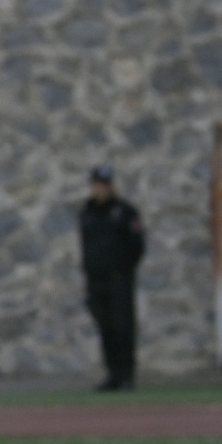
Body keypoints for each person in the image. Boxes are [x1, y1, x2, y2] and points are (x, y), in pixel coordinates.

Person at [78, 165, 145, 391]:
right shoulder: (87, 212)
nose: (101, 190)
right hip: (96, 280)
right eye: (97, 185)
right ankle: (113, 373)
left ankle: (127, 374)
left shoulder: (125, 212)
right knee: (105, 327)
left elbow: (137, 245)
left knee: (122, 327)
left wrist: (123, 269)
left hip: (119, 279)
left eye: (105, 185)